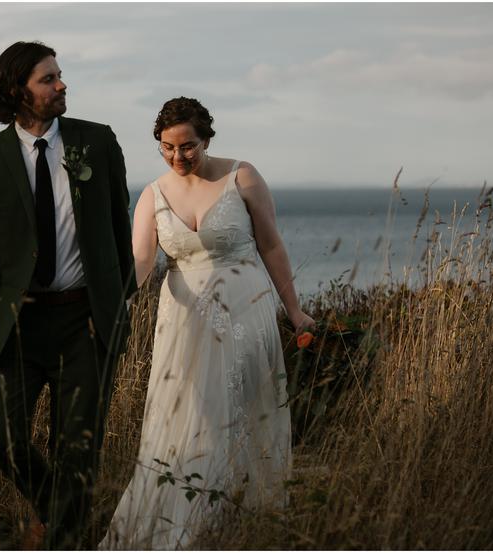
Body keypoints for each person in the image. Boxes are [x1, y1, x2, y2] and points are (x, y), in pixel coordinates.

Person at [99, 97, 315, 549]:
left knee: (236, 410)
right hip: (183, 320)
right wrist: (112, 306)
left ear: (207, 139)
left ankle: (240, 522)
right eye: (167, 148)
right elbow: (141, 261)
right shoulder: (153, 194)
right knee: (187, 415)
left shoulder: (243, 176)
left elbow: (272, 247)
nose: (178, 157)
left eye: (188, 147)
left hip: (245, 310)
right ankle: (183, 525)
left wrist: (294, 311)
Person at [0, 41, 135, 550]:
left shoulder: (95, 142)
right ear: (18, 91)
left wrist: (120, 308)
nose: (61, 85)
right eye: (48, 78)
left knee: (78, 450)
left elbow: (121, 231)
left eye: (60, 75)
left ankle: (65, 540)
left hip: (86, 322)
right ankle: (61, 512)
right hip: (17, 326)